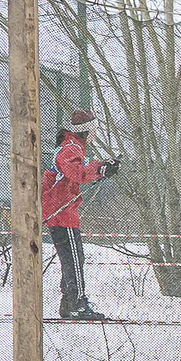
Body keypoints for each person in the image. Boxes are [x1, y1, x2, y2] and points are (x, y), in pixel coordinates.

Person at [40, 107, 115, 321]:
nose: (96, 133)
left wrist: (102, 167)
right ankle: (77, 303)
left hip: (62, 211)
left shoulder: (74, 147)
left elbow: (79, 171)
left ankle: (69, 303)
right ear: (87, 130)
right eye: (95, 129)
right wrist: (99, 170)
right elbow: (77, 172)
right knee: (74, 258)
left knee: (71, 258)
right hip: (62, 212)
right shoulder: (71, 148)